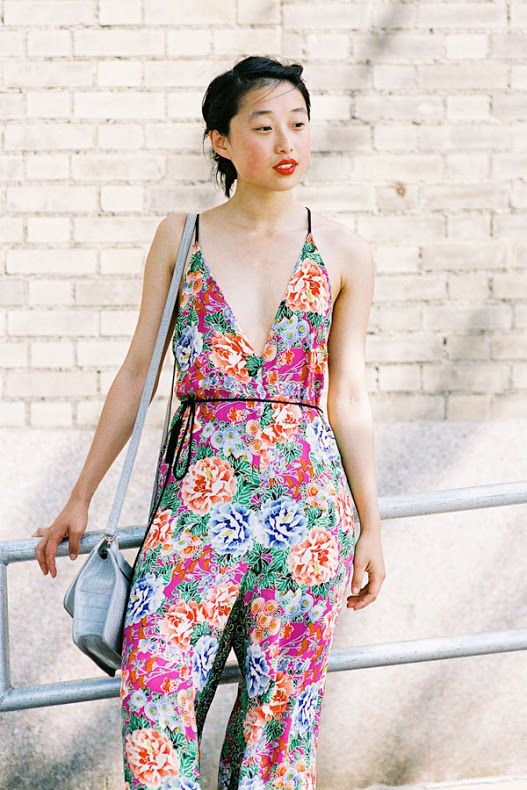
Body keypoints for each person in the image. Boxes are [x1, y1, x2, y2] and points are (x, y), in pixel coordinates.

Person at [32, 55, 385, 789]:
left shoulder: (346, 251)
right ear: (221, 141)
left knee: (278, 721)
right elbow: (138, 371)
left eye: (297, 124)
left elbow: (348, 394)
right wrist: (80, 494)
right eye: (263, 126)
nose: (286, 142)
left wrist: (371, 524)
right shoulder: (181, 235)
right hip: (197, 505)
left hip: (308, 510)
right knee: (155, 684)